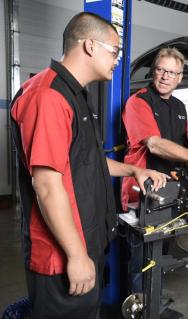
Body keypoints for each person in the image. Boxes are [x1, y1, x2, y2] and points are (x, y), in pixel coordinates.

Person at [10, 12, 168, 319]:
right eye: (115, 51)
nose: (118, 60)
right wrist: (76, 255)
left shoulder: (74, 95)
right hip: (60, 254)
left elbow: (87, 163)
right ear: (90, 46)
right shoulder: (49, 96)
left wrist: (134, 170)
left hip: (83, 241)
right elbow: (46, 185)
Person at [121, 47, 188, 210]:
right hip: (143, 190)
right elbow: (154, 144)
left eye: (172, 73)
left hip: (172, 188)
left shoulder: (179, 106)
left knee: (172, 233)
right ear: (153, 72)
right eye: (161, 70)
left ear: (179, 78)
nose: (165, 77)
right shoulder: (138, 102)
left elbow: (179, 136)